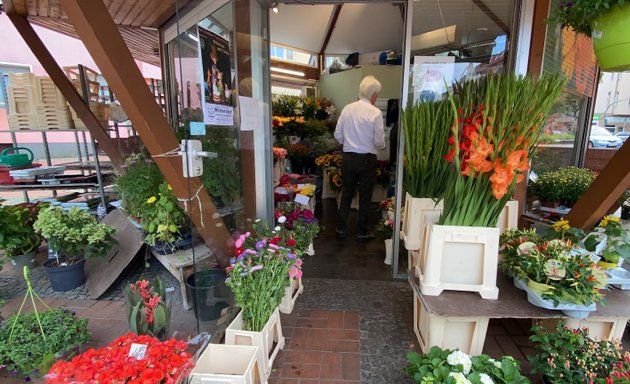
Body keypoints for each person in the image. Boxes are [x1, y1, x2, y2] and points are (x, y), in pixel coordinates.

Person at [334, 75, 385, 242]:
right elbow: (379, 141)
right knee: (365, 196)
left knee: (346, 193)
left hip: (348, 158)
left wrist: (348, 144)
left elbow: (337, 134)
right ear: (373, 95)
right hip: (366, 159)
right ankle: (361, 232)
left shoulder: (347, 108)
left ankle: (341, 228)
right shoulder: (375, 113)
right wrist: (379, 146)